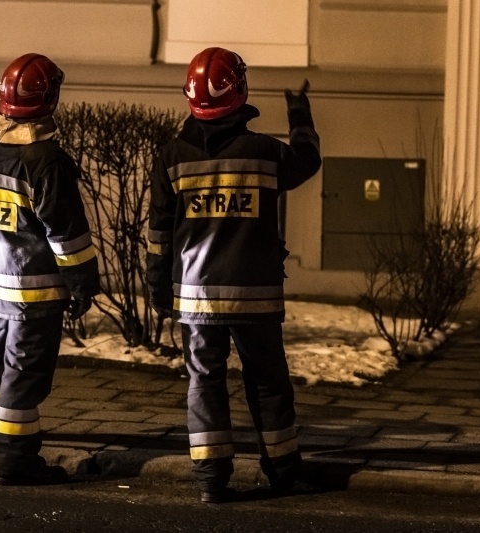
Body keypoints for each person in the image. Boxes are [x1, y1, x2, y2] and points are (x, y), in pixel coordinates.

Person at [145, 47, 321, 503]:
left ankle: (211, 480)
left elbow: (159, 233)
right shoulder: (264, 153)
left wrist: (157, 286)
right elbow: (306, 161)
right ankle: (282, 470)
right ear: (238, 92)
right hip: (254, 298)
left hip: (196, 298)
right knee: (267, 381)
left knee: (204, 381)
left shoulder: (172, 157)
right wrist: (300, 115)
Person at [0, 53, 100, 485]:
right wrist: (82, 285)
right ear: (50, 99)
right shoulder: (46, 162)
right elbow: (66, 235)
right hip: (35, 290)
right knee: (25, 372)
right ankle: (15, 458)